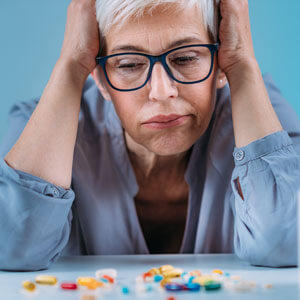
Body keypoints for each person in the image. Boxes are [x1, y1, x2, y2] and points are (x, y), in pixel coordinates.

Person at [0, 0, 299, 271]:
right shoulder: (39, 125)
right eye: (128, 64)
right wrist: (70, 65)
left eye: (185, 58)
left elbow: (285, 241)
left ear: (221, 62)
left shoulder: (261, 112)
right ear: (100, 79)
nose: (161, 91)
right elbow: (11, 249)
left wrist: (243, 64)